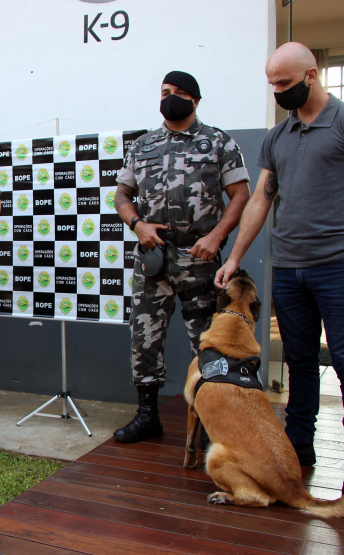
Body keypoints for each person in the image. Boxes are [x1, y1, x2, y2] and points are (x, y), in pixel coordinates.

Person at [215, 42, 344, 498]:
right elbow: (261, 198)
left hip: (340, 267)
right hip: (291, 270)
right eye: (272, 84)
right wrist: (236, 255)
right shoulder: (279, 138)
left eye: (284, 83)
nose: (277, 91)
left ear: (312, 75)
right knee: (297, 362)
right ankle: (299, 445)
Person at [112, 71, 251, 443]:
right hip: (152, 256)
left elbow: (241, 195)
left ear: (195, 100)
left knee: (205, 342)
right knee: (144, 340)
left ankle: (209, 422)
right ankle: (147, 416)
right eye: (164, 92)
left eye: (178, 93)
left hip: (199, 256)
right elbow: (121, 195)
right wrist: (137, 224)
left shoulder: (218, 142)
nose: (170, 97)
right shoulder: (142, 145)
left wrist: (217, 235)